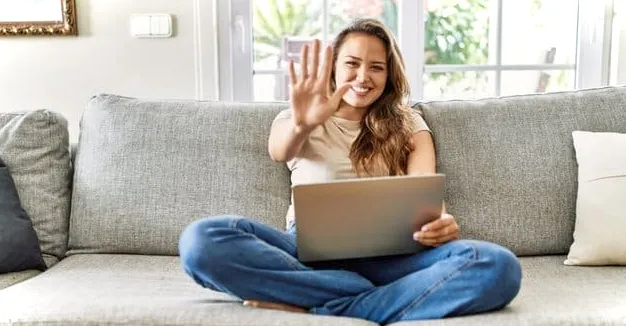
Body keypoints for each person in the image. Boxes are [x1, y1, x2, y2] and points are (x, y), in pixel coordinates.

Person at [179, 18, 522, 324]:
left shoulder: (409, 123)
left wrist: (440, 223)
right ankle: (364, 294)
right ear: (333, 68)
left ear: (389, 75)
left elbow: (425, 191)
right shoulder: (296, 118)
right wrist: (304, 123)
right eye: (352, 64)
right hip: (305, 253)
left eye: (376, 67)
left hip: (393, 255)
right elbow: (279, 150)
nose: (363, 77)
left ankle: (322, 307)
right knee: (201, 240)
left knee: (496, 265)